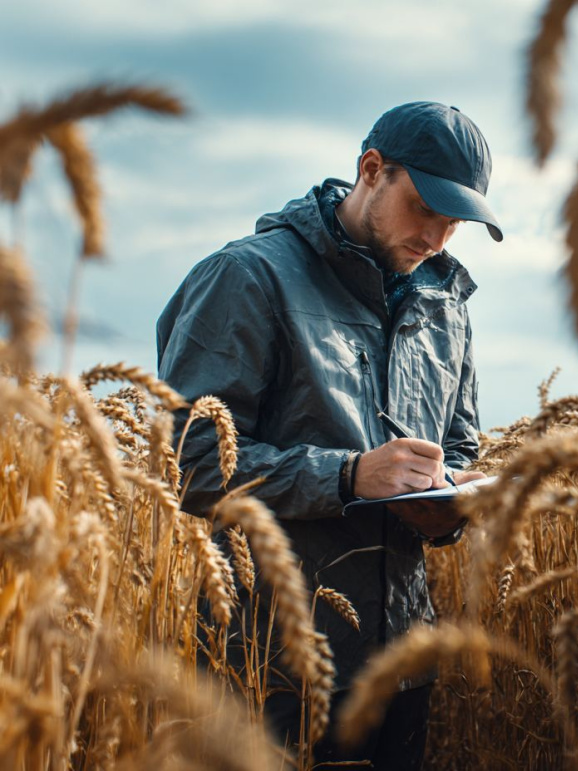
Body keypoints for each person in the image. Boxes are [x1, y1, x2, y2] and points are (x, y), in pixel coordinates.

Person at [156, 101, 501, 767]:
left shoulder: (445, 306)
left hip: (403, 664)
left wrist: (447, 503)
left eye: (455, 220)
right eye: (424, 208)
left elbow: (460, 447)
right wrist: (347, 476)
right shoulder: (248, 276)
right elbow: (188, 459)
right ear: (371, 170)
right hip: (271, 667)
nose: (436, 236)